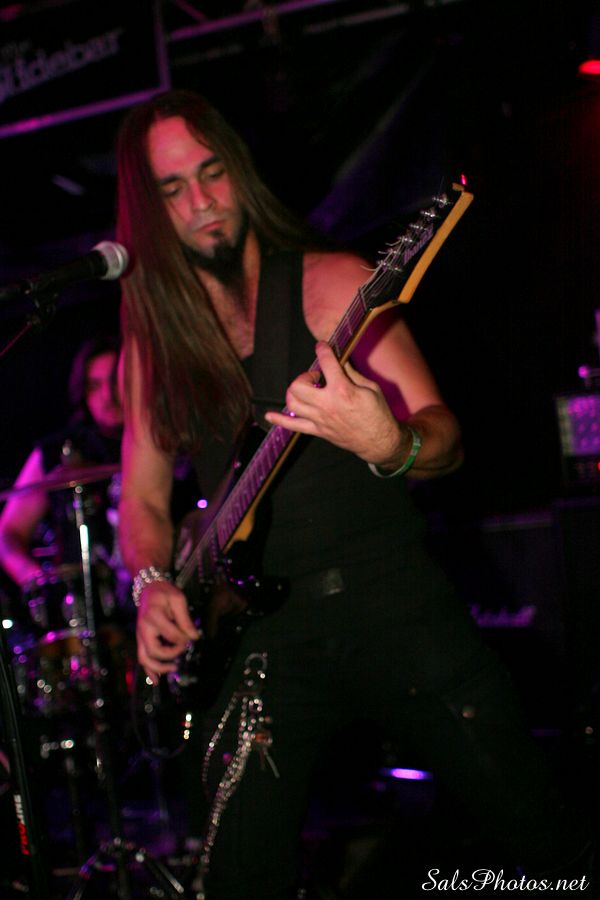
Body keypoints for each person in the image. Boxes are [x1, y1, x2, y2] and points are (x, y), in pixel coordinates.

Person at [115, 89, 593, 899]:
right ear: (148, 213)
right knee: (238, 878)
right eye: (173, 188)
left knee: (545, 843)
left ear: (240, 173)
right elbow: (143, 500)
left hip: (389, 600)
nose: (201, 200)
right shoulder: (153, 347)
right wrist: (152, 581)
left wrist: (390, 443)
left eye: (212, 172)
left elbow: (444, 437)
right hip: (260, 637)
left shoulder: (336, 284)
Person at [0, 334, 127, 625]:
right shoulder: (57, 452)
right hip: (88, 617)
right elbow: (6, 534)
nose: (108, 396)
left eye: (115, 382)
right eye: (94, 385)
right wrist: (43, 583)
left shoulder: (160, 442)